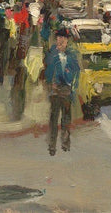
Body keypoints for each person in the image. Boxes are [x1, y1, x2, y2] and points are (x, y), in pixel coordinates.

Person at [43, 28, 80, 156]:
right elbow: (47, 70)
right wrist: (50, 84)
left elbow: (76, 71)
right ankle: (52, 145)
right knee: (53, 119)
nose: (61, 40)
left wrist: (73, 87)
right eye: (59, 38)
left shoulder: (71, 54)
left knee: (66, 118)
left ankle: (65, 143)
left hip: (66, 90)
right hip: (55, 89)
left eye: (64, 38)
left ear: (67, 40)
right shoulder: (52, 53)